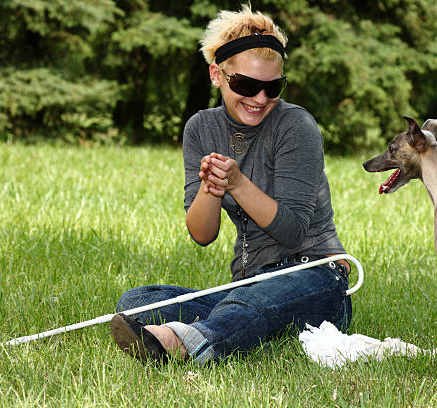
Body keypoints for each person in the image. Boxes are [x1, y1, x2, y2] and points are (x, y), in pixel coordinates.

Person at [109, 4, 352, 365]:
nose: (259, 99)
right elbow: (202, 235)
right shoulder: (200, 128)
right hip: (247, 283)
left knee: (254, 302)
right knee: (138, 302)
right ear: (217, 75)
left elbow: (293, 230)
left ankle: (189, 340)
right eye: (246, 84)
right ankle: (238, 326)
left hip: (314, 276)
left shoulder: (296, 126)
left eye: (273, 88)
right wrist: (211, 188)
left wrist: (237, 183)